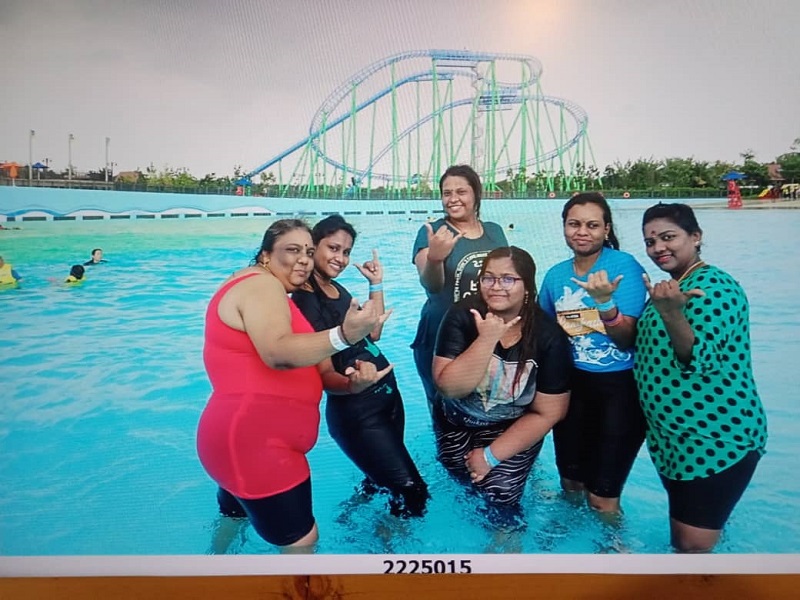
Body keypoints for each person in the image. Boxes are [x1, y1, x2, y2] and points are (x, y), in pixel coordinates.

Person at [196, 219, 389, 552]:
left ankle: (212, 571)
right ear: (265, 255)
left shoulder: (273, 295)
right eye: (293, 250)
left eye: (309, 252)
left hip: (239, 443)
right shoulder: (261, 286)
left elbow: (317, 370)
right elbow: (278, 353)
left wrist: (352, 385)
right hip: (257, 446)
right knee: (302, 546)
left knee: (233, 523)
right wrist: (344, 336)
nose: (304, 260)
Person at [636, 202, 767, 553]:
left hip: (716, 438)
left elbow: (701, 359)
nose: (658, 247)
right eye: (650, 242)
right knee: (689, 541)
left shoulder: (716, 287)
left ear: (695, 237)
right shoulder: (673, 287)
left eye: (668, 237)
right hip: (676, 440)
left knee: (691, 548)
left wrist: (671, 313)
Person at [292, 215, 428, 517]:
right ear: (313, 247)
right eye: (333, 248)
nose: (340, 258)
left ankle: (352, 522)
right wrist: (355, 385)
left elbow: (373, 332)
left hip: (385, 400)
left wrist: (375, 284)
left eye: (346, 252)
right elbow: (325, 375)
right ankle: (387, 542)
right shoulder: (304, 302)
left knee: (380, 482)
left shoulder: (336, 289)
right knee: (412, 492)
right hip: (358, 414)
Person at [432, 246, 571, 508]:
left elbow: (549, 412)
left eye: (508, 279)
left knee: (500, 496)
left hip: (511, 426)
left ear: (527, 286)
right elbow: (449, 388)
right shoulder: (462, 315)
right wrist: (487, 339)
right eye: (488, 278)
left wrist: (490, 456)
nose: (496, 287)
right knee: (460, 477)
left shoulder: (548, 335)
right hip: (456, 419)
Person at [538, 192, 647, 515]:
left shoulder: (623, 267)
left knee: (602, 498)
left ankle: (613, 543)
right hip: (572, 390)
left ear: (606, 229)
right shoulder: (556, 275)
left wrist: (604, 303)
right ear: (564, 227)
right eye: (574, 224)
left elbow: (627, 339)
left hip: (619, 390)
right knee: (571, 485)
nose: (582, 232)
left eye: (592, 225)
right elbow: (543, 335)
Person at [411, 164, 508, 411]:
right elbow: (431, 285)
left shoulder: (495, 232)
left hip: (485, 336)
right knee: (445, 411)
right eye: (447, 193)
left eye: (461, 192)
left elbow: (508, 279)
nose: (453, 199)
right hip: (440, 338)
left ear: (476, 194)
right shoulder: (434, 233)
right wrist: (435, 258)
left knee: (487, 409)